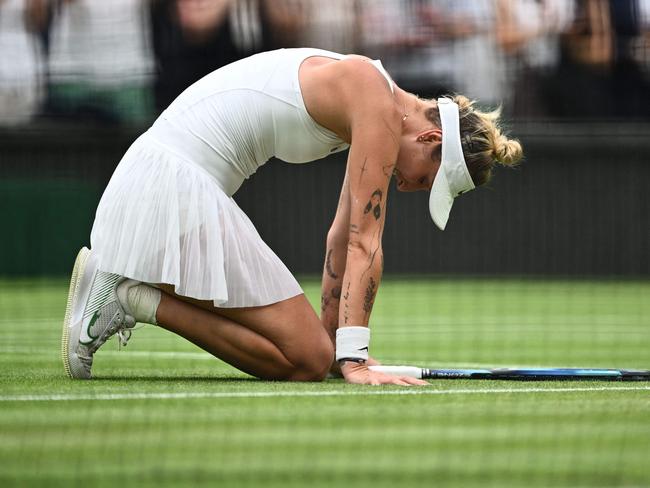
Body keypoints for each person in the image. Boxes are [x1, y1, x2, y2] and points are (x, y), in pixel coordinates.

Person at [61, 47, 522, 386]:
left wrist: (335, 350)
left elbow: (340, 236)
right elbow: (365, 241)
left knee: (308, 358)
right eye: (427, 179)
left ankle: (129, 293)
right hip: (169, 184)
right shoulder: (375, 100)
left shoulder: (373, 99)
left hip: (164, 184)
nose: (409, 187)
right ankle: (126, 296)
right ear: (429, 138)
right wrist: (355, 361)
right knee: (305, 360)